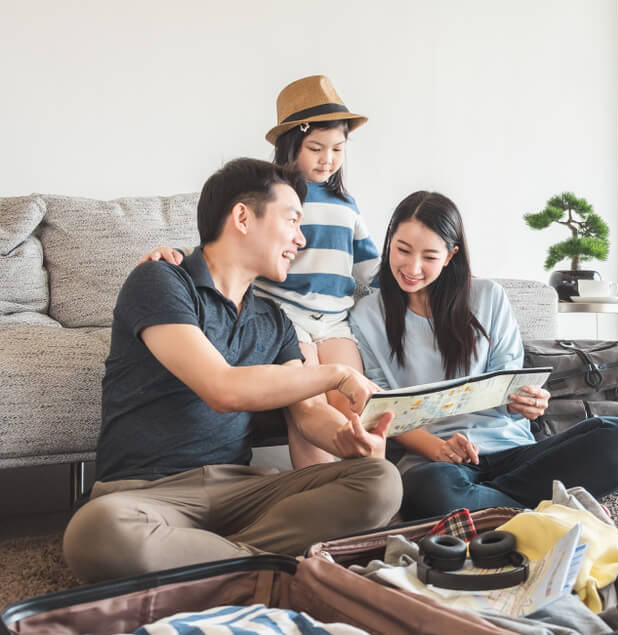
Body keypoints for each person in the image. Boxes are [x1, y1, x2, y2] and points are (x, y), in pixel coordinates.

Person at [63, 158, 402, 583]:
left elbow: (309, 412)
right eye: (293, 220)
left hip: (244, 492)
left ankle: (222, 564)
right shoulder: (161, 281)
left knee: (381, 481)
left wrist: (352, 439)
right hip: (147, 495)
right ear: (243, 216)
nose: (301, 239)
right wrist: (334, 373)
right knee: (96, 533)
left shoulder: (274, 320)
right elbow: (221, 388)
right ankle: (270, 564)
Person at [350, 191, 618, 520]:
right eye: (402, 250)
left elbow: (509, 388)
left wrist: (527, 403)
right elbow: (383, 409)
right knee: (428, 491)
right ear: (389, 241)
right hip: (437, 462)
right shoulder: (366, 315)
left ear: (450, 256)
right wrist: (440, 450)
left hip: (515, 451)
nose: (412, 267)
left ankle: (497, 511)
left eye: (430, 257)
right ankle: (548, 512)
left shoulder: (487, 298)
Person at [144, 75, 380, 469]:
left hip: (336, 320)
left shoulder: (348, 205)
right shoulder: (270, 198)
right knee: (307, 401)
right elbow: (222, 248)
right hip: (289, 315)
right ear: (292, 148)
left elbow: (372, 267)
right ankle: (314, 482)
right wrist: (179, 258)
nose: (327, 159)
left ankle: (363, 480)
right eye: (316, 148)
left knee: (356, 397)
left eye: (337, 149)